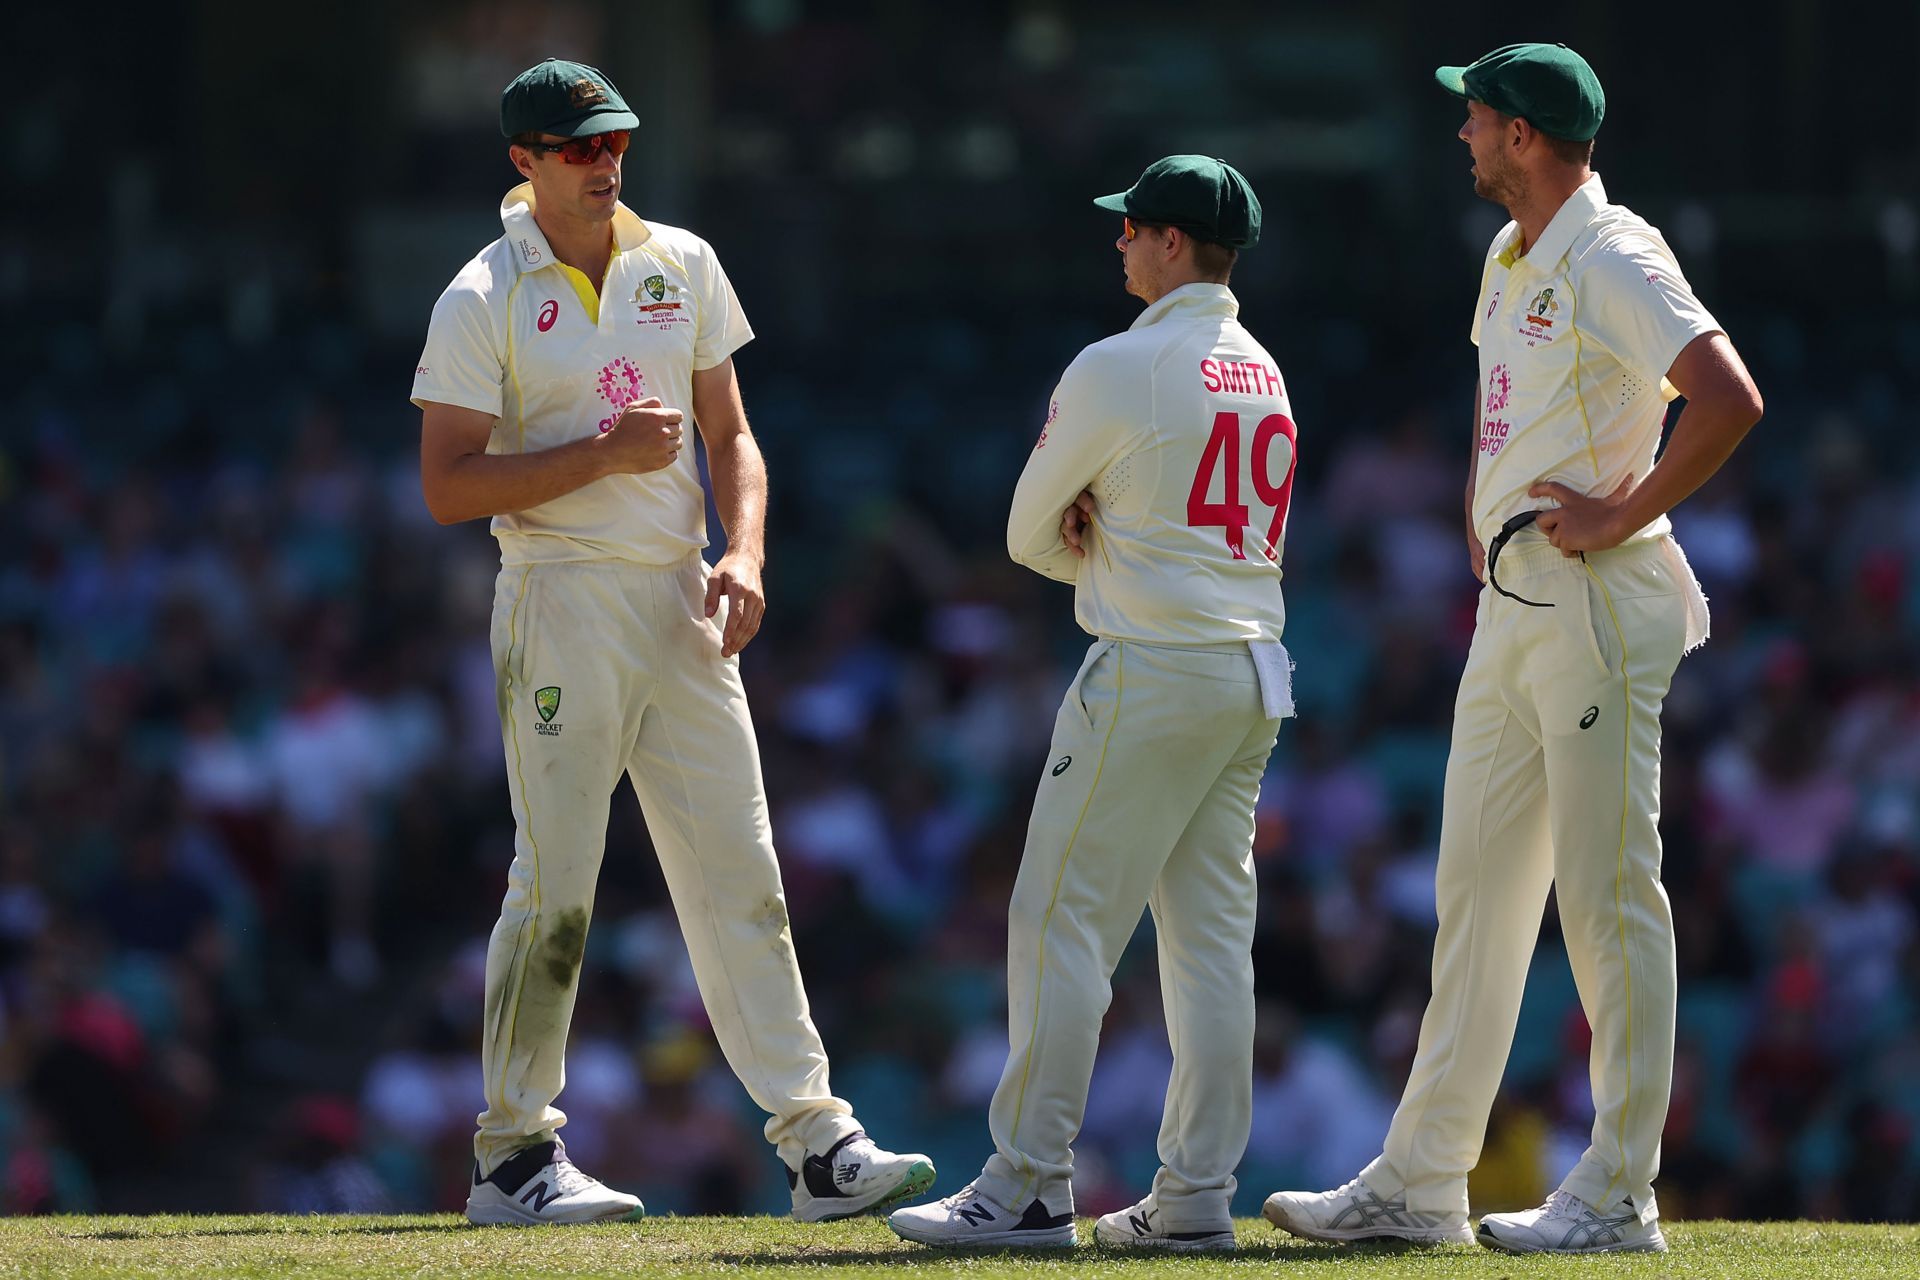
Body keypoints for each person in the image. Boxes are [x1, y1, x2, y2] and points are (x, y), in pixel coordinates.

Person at [410, 57, 933, 1227]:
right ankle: (513, 1155)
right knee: (556, 886)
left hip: (682, 601)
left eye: (616, 144)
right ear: (525, 161)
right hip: (557, 598)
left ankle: (816, 1143)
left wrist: (743, 553)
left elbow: (732, 435)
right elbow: (446, 485)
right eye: (580, 148)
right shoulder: (480, 293)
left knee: (742, 874)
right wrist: (597, 454)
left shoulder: (681, 262)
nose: (606, 164)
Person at [1261, 42, 1763, 1255]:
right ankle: (1422, 1181)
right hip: (1517, 597)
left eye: (1477, 117)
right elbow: (1514, 414)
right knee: (1476, 899)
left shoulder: (1613, 249)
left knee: (1604, 892)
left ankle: (1621, 1188)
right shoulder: (1511, 253)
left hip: (1593, 592)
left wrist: (1618, 511)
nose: (1464, 134)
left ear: (1527, 136)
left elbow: (1729, 394)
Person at [889, 156, 1296, 1252]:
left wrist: (1105, 554)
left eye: (1134, 229)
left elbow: (1028, 532)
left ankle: (1027, 1180)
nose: (1119, 242)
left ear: (1172, 243)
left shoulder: (1118, 363)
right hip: (1253, 668)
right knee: (1210, 941)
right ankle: (1199, 1194)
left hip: (1153, 665)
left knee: (1057, 917)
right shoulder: (1264, 368)